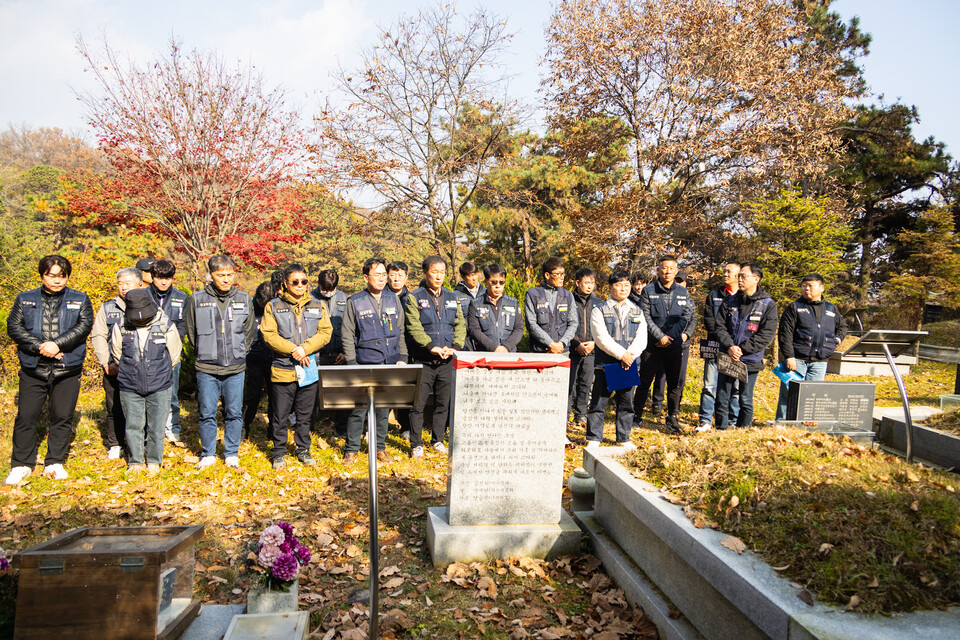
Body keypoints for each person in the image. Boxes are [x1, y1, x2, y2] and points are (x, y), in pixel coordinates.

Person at [5, 255, 93, 484]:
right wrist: (41, 347)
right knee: (26, 417)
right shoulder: (25, 298)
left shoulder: (80, 299)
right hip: (33, 368)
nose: (57, 281)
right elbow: (14, 327)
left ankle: (54, 461)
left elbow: (83, 327)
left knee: (62, 417)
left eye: (62, 276)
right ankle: (21, 464)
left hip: (67, 368)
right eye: (52, 275)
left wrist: (58, 344)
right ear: (42, 275)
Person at [184, 255, 257, 469]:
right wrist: (205, 352)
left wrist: (239, 352)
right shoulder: (197, 299)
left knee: (234, 412)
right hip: (207, 367)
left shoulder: (244, 299)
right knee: (206, 411)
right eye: (220, 275)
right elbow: (191, 331)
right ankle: (208, 453)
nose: (226, 279)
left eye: (229, 275)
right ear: (211, 276)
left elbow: (249, 331)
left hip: (235, 366)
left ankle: (231, 452)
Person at [261, 264, 333, 469]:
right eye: (295, 282)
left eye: (303, 281)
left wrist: (305, 349)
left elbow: (325, 332)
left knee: (305, 415)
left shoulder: (318, 305)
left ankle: (303, 449)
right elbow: (269, 335)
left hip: (309, 368)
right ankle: (278, 452)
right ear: (285, 283)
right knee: (280, 415)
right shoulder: (273, 306)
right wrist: (294, 349)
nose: (300, 285)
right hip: (283, 368)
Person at [341, 258, 407, 465]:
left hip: (390, 362)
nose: (381, 278)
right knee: (358, 409)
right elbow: (347, 334)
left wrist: (403, 357)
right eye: (376, 274)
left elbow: (400, 331)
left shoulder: (392, 299)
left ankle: (379, 447)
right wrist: (351, 363)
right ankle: (351, 449)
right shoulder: (356, 301)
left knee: (383, 409)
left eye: (383, 274)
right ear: (365, 277)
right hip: (365, 363)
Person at [110, 288, 181, 474]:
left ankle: (154, 461)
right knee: (133, 424)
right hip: (129, 385)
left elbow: (174, 354)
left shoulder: (165, 324)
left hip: (160, 384)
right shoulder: (121, 325)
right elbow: (117, 353)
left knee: (157, 426)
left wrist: (157, 370)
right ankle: (135, 462)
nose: (141, 319)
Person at [405, 255, 466, 458]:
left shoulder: (452, 297)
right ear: (425, 273)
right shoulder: (415, 297)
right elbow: (414, 327)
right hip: (424, 359)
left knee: (443, 403)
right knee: (418, 404)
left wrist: (456, 346)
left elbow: (460, 325)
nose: (439, 276)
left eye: (442, 272)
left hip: (447, 359)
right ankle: (416, 443)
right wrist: (431, 346)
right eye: (434, 271)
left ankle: (437, 440)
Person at [634, 256, 696, 433]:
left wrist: (670, 336)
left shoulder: (683, 292)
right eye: (664, 268)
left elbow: (686, 317)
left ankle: (672, 417)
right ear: (658, 270)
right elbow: (645, 316)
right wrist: (659, 336)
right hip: (652, 344)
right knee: (644, 380)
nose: (668, 271)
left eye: (671, 268)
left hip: (674, 345)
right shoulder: (648, 290)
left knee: (674, 382)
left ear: (676, 271)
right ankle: (636, 415)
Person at [585, 271, 647, 450]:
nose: (623, 288)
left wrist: (630, 355)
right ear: (610, 287)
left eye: (626, 285)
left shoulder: (637, 310)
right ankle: (594, 437)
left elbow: (642, 337)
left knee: (626, 402)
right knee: (599, 401)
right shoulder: (600, 310)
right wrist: (622, 355)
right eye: (619, 285)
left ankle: (623, 437)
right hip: (607, 364)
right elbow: (601, 337)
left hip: (629, 364)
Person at [775, 274, 848, 421]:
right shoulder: (795, 307)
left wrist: (836, 340)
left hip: (820, 361)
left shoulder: (831, 308)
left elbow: (842, 326)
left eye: (810, 285)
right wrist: (789, 356)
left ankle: (806, 422)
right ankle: (782, 423)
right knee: (789, 393)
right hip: (797, 359)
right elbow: (785, 334)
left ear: (821, 288)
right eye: (804, 285)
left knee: (813, 395)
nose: (806, 288)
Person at [713, 263, 778, 429]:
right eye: (739, 276)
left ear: (756, 279)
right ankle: (721, 429)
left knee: (745, 398)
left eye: (743, 276)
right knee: (722, 396)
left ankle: (744, 429)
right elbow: (719, 326)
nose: (739, 279)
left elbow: (766, 334)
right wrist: (730, 346)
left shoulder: (767, 304)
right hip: (728, 355)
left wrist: (742, 350)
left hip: (749, 359)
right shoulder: (730, 300)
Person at [91, 267, 144, 459]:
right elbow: (98, 335)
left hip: (141, 367)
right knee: (114, 406)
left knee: (140, 406)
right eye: (120, 283)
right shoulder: (108, 307)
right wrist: (106, 362)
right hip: (114, 366)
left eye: (127, 283)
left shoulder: (149, 305)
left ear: (140, 284)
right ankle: (115, 443)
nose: (123, 287)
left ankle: (140, 442)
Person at [696, 261, 741, 432]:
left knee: (735, 387)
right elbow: (709, 320)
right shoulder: (714, 295)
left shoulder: (743, 297)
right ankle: (705, 420)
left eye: (729, 272)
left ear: (738, 275)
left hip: (735, 350)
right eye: (724, 271)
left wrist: (732, 344)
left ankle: (733, 420)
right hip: (714, 345)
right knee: (709, 385)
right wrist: (723, 339)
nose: (725, 274)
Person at [147, 259, 188, 444]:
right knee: (148, 392)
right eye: (160, 278)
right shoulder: (143, 295)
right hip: (147, 352)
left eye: (168, 278)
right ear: (152, 277)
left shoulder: (181, 297)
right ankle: (150, 429)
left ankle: (173, 427)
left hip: (171, 352)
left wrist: (172, 342)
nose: (164, 282)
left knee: (171, 392)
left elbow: (183, 324)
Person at [312, 269, 348, 435]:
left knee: (340, 394)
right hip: (316, 355)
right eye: (325, 289)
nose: (328, 292)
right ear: (318, 284)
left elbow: (351, 328)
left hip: (338, 355)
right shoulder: (310, 299)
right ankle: (311, 427)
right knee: (312, 394)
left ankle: (340, 428)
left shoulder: (345, 299)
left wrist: (346, 352)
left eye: (331, 289)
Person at [568, 268, 604, 425]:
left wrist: (594, 344)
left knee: (586, 383)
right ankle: (566, 413)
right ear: (577, 283)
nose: (590, 286)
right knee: (569, 384)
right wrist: (576, 344)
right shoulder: (568, 300)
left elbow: (602, 327)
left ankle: (580, 414)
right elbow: (565, 326)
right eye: (586, 283)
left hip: (591, 350)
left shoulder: (598, 303)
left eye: (592, 283)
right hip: (572, 349)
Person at [524, 257, 578, 354]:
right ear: (547, 275)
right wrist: (550, 344)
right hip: (540, 352)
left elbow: (573, 323)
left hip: (562, 351)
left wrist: (562, 343)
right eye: (558, 274)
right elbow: (531, 324)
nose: (562, 277)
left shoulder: (568, 295)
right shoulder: (533, 294)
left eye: (563, 273)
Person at [242, 281, 275, 440]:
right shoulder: (248, 307)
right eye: (262, 304)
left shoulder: (276, 306)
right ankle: (244, 427)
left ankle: (273, 430)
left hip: (273, 356)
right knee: (252, 395)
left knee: (274, 395)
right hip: (253, 356)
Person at [467, 263, 523, 352]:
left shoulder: (513, 303)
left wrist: (506, 347)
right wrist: (494, 347)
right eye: (494, 282)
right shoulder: (475, 304)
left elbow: (519, 328)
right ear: (485, 281)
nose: (498, 286)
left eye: (501, 282)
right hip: (485, 353)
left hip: (508, 353)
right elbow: (474, 330)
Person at [387, 260, 413, 440]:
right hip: (386, 349)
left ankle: (405, 426)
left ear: (406, 277)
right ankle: (377, 426)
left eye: (400, 275)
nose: (396, 279)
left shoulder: (412, 297)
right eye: (393, 275)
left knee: (406, 389)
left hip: (407, 348)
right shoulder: (380, 296)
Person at [454, 261, 484, 351]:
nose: (474, 278)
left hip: (485, 338)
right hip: (466, 339)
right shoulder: (455, 296)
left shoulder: (486, 292)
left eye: (475, 274)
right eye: (470, 276)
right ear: (463, 277)